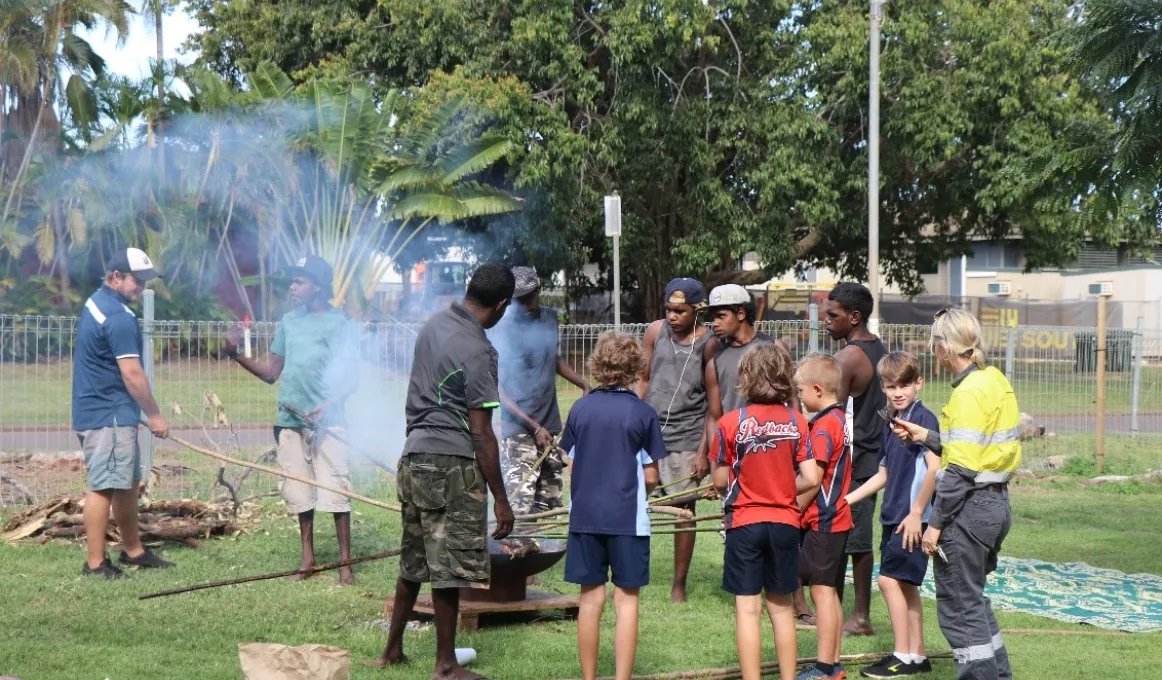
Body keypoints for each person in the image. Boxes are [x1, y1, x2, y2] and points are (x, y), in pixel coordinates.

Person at [375, 263, 516, 680]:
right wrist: (502, 499)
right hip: (451, 463)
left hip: (414, 456)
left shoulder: (433, 324)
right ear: (502, 305)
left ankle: (392, 650)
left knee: (413, 560)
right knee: (449, 567)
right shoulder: (479, 350)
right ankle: (446, 665)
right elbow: (481, 433)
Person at [891, 308, 1021, 680]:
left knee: (960, 610)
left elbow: (961, 471)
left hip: (969, 510)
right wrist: (926, 436)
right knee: (974, 601)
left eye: (935, 344)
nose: (933, 352)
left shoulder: (967, 393)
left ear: (946, 347)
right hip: (996, 505)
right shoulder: (993, 379)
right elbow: (976, 450)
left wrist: (935, 525)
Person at [224, 255, 360, 585]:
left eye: (299, 281)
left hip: (330, 423)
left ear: (317, 286)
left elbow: (352, 377)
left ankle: (345, 563)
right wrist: (235, 355)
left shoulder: (339, 323)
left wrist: (327, 405)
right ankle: (308, 559)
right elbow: (272, 372)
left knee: (336, 489)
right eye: (293, 280)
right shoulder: (289, 321)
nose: (293, 286)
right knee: (299, 489)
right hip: (290, 420)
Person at [700, 283, 812, 623]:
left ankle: (797, 598)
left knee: (791, 530)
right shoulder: (714, 358)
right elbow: (715, 414)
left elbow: (792, 400)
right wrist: (710, 462)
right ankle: (755, 593)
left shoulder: (772, 348)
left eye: (720, 316)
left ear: (741, 314)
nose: (714, 324)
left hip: (778, 453)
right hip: (735, 456)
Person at [561, 332, 668, 680]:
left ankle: (588, 677)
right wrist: (644, 496)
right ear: (636, 368)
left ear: (597, 365)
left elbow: (572, 464)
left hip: (585, 518)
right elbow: (651, 475)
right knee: (627, 600)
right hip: (628, 521)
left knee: (590, 601)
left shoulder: (580, 408)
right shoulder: (642, 413)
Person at [710, 342, 819, 680]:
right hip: (785, 523)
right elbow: (812, 477)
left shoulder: (730, 422)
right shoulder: (796, 420)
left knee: (747, 609)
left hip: (744, 522)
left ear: (745, 377)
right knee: (782, 607)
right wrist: (783, 485)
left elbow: (719, 479)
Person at [72, 247, 173, 578]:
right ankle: (95, 564)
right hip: (109, 415)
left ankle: (134, 551)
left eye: (145, 281)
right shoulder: (118, 318)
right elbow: (132, 374)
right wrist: (155, 415)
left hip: (109, 411)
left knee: (127, 482)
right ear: (116, 277)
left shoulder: (96, 302)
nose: (140, 288)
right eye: (136, 281)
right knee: (103, 486)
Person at [845, 352, 940, 678]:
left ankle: (900, 657)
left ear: (918, 383)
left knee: (888, 581)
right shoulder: (890, 422)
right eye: (890, 386)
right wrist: (848, 499)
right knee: (906, 587)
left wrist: (917, 514)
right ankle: (918, 655)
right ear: (883, 388)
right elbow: (883, 474)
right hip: (891, 516)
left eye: (904, 385)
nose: (898, 392)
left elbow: (935, 469)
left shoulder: (923, 419)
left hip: (911, 520)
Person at [636, 278, 712, 604]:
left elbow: (715, 402)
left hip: (688, 434)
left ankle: (678, 586)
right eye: (668, 309)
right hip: (650, 433)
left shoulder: (710, 342)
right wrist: (635, 421)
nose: (672, 316)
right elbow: (643, 376)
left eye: (680, 311)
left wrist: (703, 451)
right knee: (637, 504)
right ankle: (633, 574)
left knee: (684, 510)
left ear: (697, 310)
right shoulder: (654, 331)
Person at [490, 266, 589, 515]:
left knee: (549, 505)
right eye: (517, 299)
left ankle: (541, 552)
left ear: (538, 291)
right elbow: (497, 389)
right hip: (519, 429)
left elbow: (553, 359)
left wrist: (583, 384)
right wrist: (534, 427)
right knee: (520, 505)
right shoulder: (503, 328)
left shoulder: (549, 318)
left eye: (527, 297)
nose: (522, 304)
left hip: (550, 426)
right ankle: (517, 550)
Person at [823, 282, 887, 636]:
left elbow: (829, 412)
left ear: (854, 316)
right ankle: (832, 608)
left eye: (833, 315)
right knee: (843, 536)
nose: (826, 321)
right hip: (867, 456)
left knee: (855, 540)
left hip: (856, 461)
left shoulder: (848, 357)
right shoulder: (875, 348)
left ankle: (860, 617)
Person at [793, 354, 853, 680]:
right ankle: (834, 662)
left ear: (817, 390)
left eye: (801, 390)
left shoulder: (822, 427)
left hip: (823, 520)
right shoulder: (839, 419)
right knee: (827, 588)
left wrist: (790, 507)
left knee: (821, 591)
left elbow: (812, 480)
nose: (799, 397)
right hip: (837, 519)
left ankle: (824, 668)